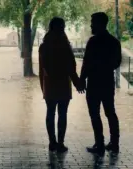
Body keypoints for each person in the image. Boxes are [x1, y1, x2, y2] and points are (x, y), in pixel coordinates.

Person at [79, 12, 122, 156]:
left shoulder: (93, 41)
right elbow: (117, 63)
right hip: (108, 82)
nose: (91, 25)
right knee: (110, 113)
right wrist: (106, 67)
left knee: (95, 114)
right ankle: (114, 143)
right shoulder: (114, 41)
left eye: (93, 22)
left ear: (99, 23)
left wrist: (81, 80)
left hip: (94, 83)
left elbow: (86, 62)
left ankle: (99, 144)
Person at [39, 17, 83, 153]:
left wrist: (43, 87)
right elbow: (71, 66)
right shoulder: (65, 44)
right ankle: (61, 143)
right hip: (63, 84)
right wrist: (77, 83)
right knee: (62, 114)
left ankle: (52, 142)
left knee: (50, 113)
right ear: (61, 27)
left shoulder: (44, 45)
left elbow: (42, 67)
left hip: (50, 83)